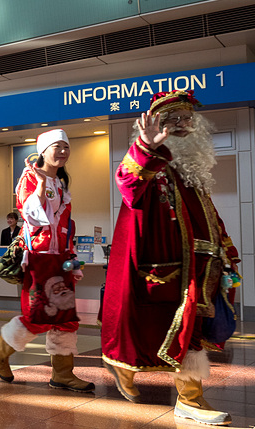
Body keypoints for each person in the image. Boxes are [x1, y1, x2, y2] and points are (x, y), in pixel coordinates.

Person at [101, 90, 240, 426]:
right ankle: (132, 370)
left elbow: (209, 217)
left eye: (186, 119)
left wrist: (227, 251)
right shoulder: (151, 164)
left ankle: (190, 400)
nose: (181, 125)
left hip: (203, 267)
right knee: (159, 327)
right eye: (172, 120)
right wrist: (147, 147)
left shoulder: (193, 173)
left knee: (191, 331)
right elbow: (128, 185)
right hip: (165, 266)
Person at [0, 129, 94, 392]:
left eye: (66, 147)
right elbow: (32, 217)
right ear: (43, 150)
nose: (63, 152)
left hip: (61, 259)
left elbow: (66, 225)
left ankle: (63, 374)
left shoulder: (62, 184)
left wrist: (72, 258)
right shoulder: (29, 178)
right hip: (38, 258)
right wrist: (41, 183)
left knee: (66, 317)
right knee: (39, 315)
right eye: (56, 146)